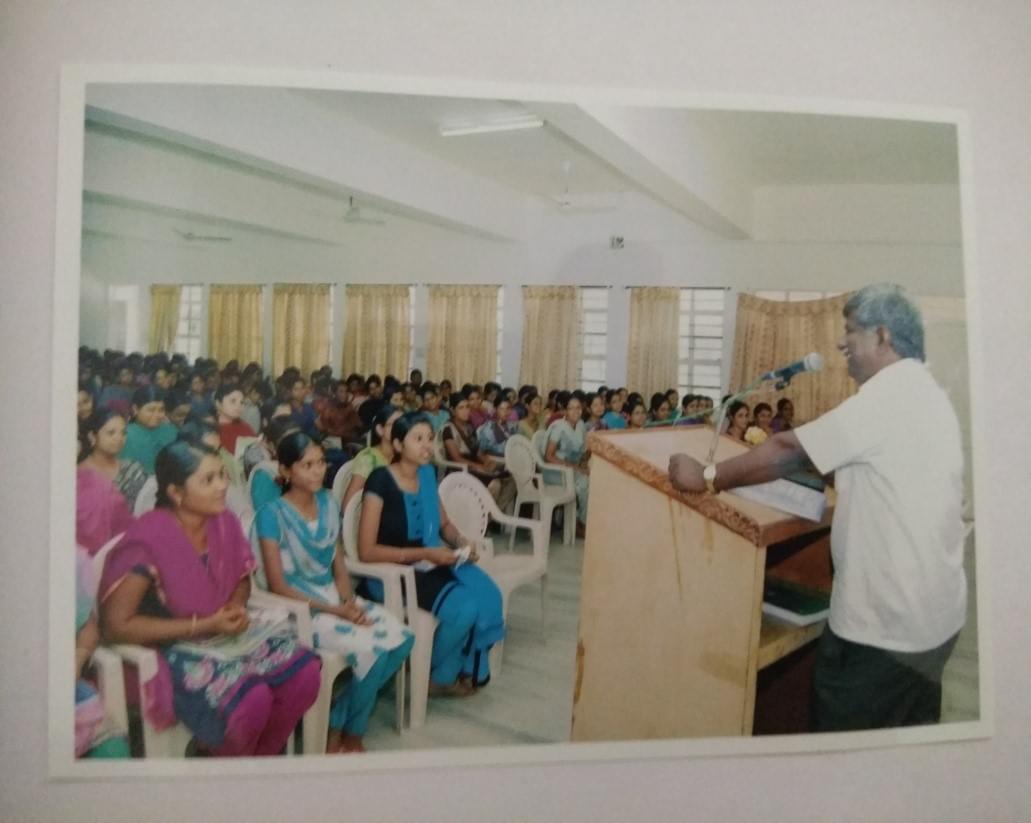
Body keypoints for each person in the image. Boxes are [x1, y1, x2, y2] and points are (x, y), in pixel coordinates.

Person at [668, 283, 966, 731]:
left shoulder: (888, 395)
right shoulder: (926, 392)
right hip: (931, 621)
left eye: (850, 331)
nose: (841, 343)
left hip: (884, 631)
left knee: (846, 760)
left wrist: (709, 477)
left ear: (883, 336)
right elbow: (881, 469)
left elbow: (788, 448)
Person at [98, 440, 321, 756]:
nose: (222, 487)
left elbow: (242, 578)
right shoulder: (147, 540)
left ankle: (261, 760)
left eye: (222, 475)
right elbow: (116, 626)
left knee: (305, 674)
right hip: (171, 646)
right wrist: (202, 624)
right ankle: (227, 771)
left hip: (222, 631)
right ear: (176, 493)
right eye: (208, 480)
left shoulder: (225, 522)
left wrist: (235, 605)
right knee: (252, 699)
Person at [252, 433, 413, 753]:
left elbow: (339, 564)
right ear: (285, 471)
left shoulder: (327, 502)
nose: (317, 471)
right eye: (306, 465)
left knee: (402, 637)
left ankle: (338, 716)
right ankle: (353, 732)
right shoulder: (272, 514)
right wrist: (337, 612)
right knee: (372, 648)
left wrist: (348, 601)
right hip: (297, 610)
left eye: (321, 463)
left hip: (333, 598)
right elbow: (277, 585)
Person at [357, 412, 505, 693]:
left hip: (428, 561)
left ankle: (443, 670)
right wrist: (426, 553)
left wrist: (461, 541)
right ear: (399, 445)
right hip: (391, 572)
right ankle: (430, 671)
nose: (427, 446)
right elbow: (366, 551)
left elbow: (444, 525)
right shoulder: (380, 481)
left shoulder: (426, 475)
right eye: (418, 439)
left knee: (487, 595)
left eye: (430, 438)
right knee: (464, 608)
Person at [75, 547, 130, 758]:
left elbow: (89, 626)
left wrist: (77, 660)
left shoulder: (75, 560)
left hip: (68, 686)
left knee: (112, 749)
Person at [77, 410, 146, 550]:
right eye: (111, 433)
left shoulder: (133, 469)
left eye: (123, 433)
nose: (119, 438)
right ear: (92, 436)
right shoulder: (80, 476)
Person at [442, 391, 515, 513]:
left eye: (467, 407)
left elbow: (478, 452)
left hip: (474, 466)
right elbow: (456, 458)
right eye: (461, 408)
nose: (466, 411)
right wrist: (479, 466)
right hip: (460, 470)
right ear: (452, 410)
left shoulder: (469, 427)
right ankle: (480, 516)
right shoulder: (448, 429)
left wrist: (486, 461)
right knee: (495, 483)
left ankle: (489, 517)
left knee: (511, 480)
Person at [341, 405, 403, 511]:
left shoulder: (404, 455)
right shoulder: (368, 459)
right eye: (395, 424)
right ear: (380, 429)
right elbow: (347, 506)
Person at [544, 395, 590, 537]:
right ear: (565, 411)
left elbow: (584, 450)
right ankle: (579, 523)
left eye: (578, 408)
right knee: (584, 483)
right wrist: (575, 467)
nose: (576, 411)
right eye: (571, 408)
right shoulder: (559, 427)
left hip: (573, 468)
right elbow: (549, 456)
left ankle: (582, 520)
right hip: (556, 470)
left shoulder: (581, 424)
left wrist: (583, 462)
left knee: (594, 477)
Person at [120, 386, 179, 474]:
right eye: (151, 410)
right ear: (135, 409)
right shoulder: (124, 434)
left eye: (161, 410)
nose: (157, 415)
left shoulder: (171, 431)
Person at [214, 384, 258, 456]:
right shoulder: (214, 431)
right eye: (233, 401)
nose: (238, 406)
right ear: (218, 404)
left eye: (241, 402)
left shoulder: (245, 426)